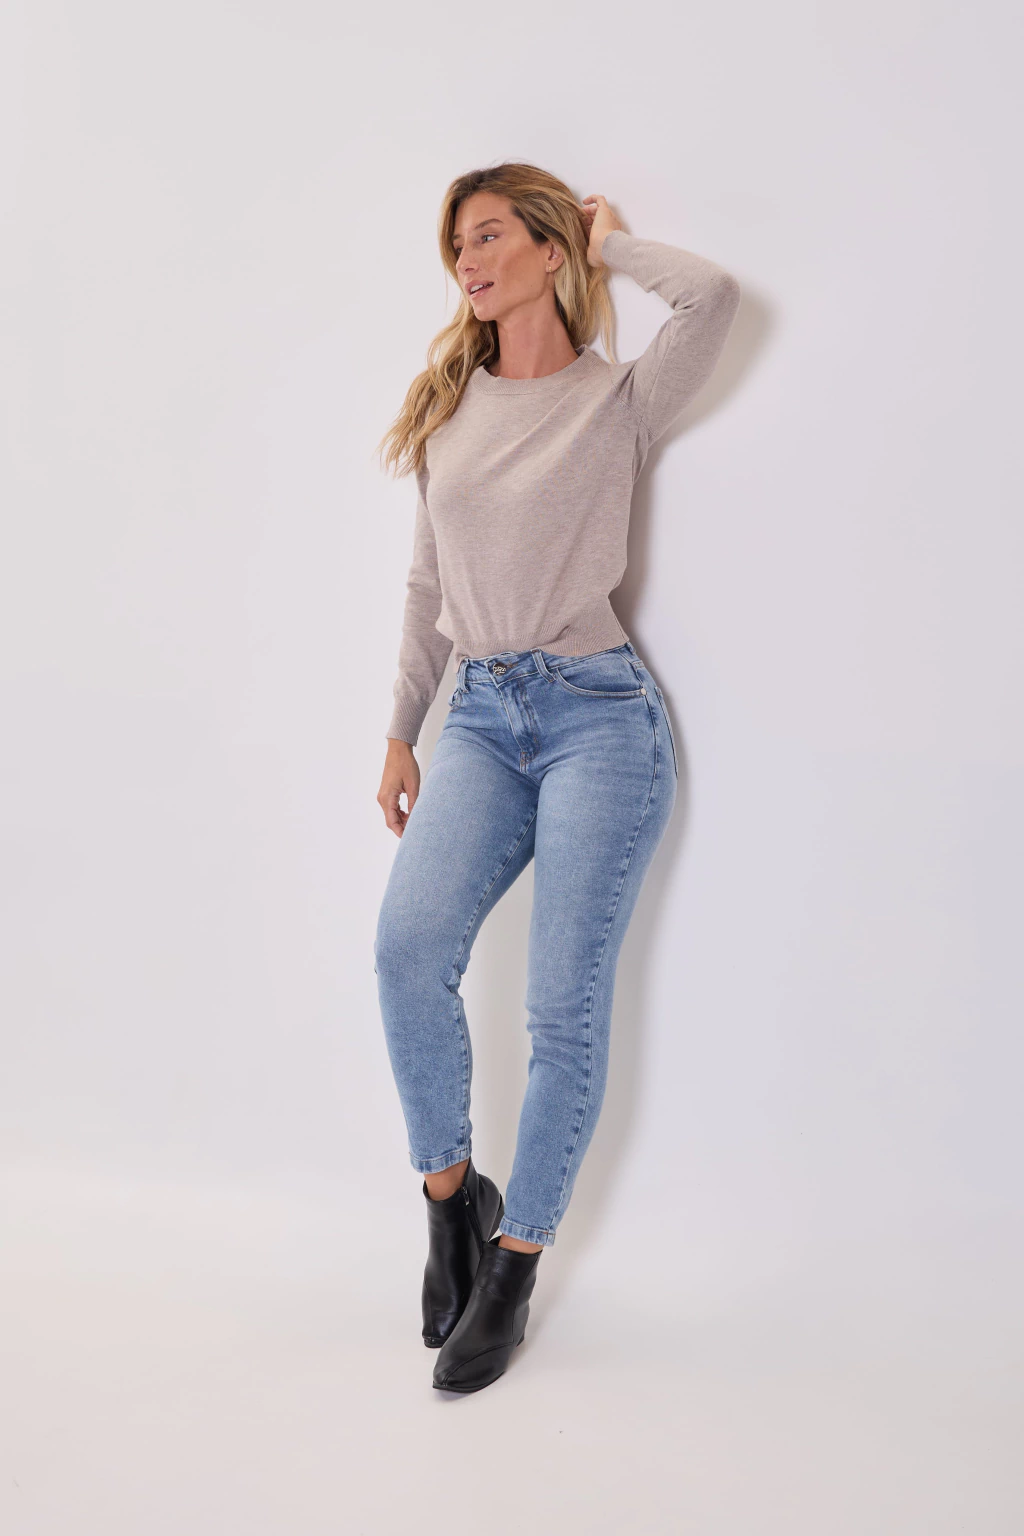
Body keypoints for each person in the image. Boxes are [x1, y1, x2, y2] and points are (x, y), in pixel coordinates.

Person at [373, 161, 740, 1393]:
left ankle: (515, 1266)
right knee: (406, 950)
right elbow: (427, 587)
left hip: (598, 721)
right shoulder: (449, 408)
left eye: (489, 237)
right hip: (479, 719)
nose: (467, 262)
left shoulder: (618, 400)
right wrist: (400, 730)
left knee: (560, 1010)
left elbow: (714, 300)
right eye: (456, 246)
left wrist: (610, 244)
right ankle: (451, 1207)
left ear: (544, 249)